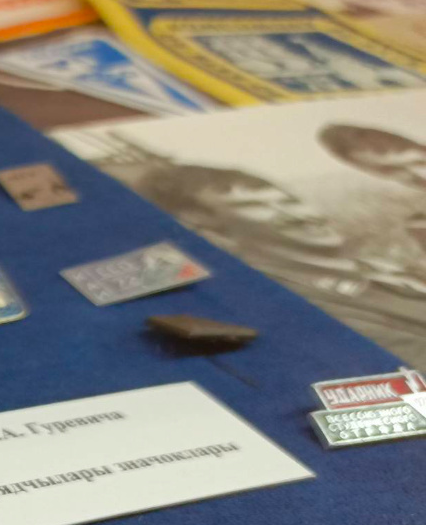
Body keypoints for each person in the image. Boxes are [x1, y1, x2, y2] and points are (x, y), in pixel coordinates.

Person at [106, 151, 426, 365]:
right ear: (211, 228)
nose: (296, 214)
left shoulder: (393, 266)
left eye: (286, 200)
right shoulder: (297, 309)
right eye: (259, 207)